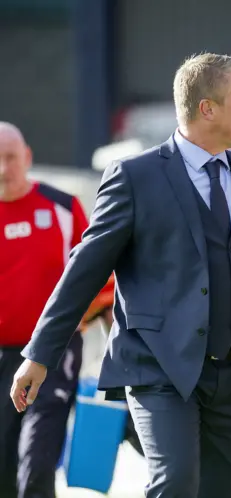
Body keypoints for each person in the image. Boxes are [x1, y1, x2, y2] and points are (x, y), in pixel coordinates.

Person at [10, 53, 231, 498]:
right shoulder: (133, 176)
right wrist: (40, 353)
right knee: (176, 483)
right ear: (208, 108)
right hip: (159, 369)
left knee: (222, 489)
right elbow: (84, 270)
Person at [0, 122, 88, 498]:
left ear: (27, 158)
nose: (3, 168)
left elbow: (96, 275)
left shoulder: (63, 207)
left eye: (10, 158)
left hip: (52, 352)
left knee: (35, 461)